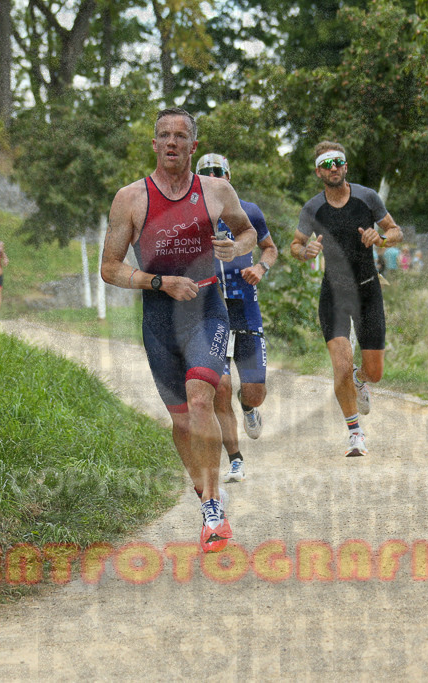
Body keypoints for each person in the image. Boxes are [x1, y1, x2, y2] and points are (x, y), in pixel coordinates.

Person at [101, 108, 258, 553]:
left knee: (201, 396)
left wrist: (234, 247)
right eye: (164, 135)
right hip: (158, 317)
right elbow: (109, 268)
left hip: (207, 308)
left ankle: (213, 511)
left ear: (193, 144)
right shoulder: (130, 199)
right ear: (154, 144)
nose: (172, 142)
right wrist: (159, 282)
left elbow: (250, 235)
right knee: (181, 421)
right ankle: (204, 490)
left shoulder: (216, 190)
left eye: (180, 136)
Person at [289, 141, 407, 457]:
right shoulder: (312, 208)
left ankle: (360, 379)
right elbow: (295, 245)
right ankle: (355, 433)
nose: (333, 168)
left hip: (368, 291)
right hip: (334, 294)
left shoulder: (367, 198)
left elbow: (396, 231)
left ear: (345, 166)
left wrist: (380, 239)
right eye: (326, 164)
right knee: (341, 364)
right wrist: (305, 251)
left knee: (375, 372)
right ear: (318, 171)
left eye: (338, 162)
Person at [195, 153, 278, 484]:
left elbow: (269, 247)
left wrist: (260, 267)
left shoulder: (249, 211)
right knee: (222, 387)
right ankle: (236, 460)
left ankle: (249, 409)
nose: (215, 181)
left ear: (229, 176)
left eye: (220, 175)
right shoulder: (191, 219)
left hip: (246, 309)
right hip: (210, 311)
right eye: (207, 176)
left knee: (254, 391)